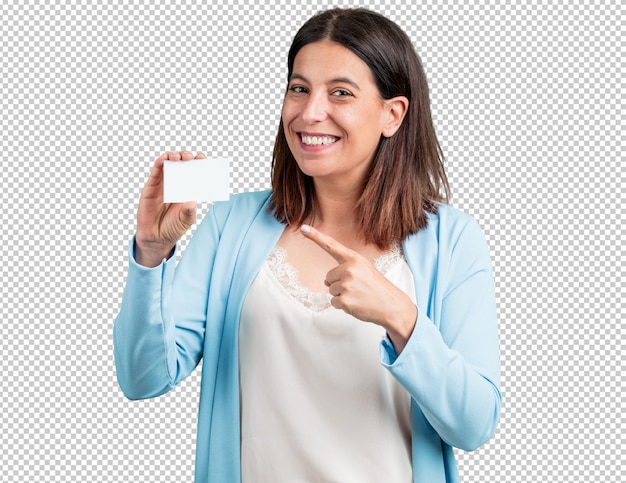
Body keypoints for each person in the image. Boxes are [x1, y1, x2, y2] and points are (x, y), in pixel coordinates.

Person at [114, 7, 501, 483]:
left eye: (340, 92)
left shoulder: (452, 238)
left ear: (392, 114)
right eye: (299, 88)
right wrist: (151, 254)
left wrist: (401, 318)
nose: (309, 111)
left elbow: (475, 424)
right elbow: (143, 377)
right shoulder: (231, 223)